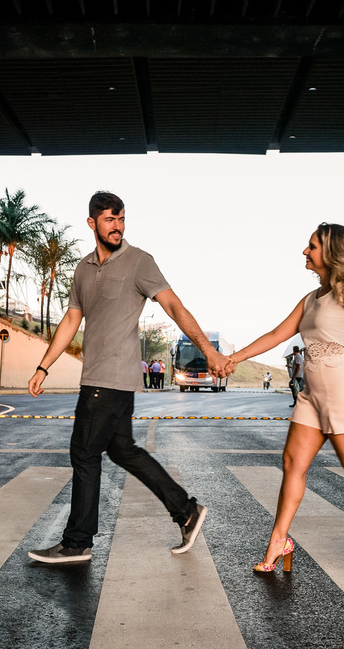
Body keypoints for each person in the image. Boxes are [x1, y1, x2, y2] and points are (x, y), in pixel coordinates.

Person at [27, 191, 231, 564]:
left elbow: (174, 306)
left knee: (84, 453)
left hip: (111, 377)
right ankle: (186, 510)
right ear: (92, 223)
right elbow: (72, 319)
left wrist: (209, 351)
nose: (117, 226)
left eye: (121, 219)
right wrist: (44, 366)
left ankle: (77, 542)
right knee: (122, 449)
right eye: (109, 220)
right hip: (98, 376)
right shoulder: (83, 269)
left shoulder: (139, 261)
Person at [226, 223, 344, 578]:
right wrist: (237, 358)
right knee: (292, 464)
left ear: (330, 251)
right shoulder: (311, 300)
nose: (305, 252)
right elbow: (277, 334)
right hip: (312, 396)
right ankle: (278, 542)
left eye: (311, 246)